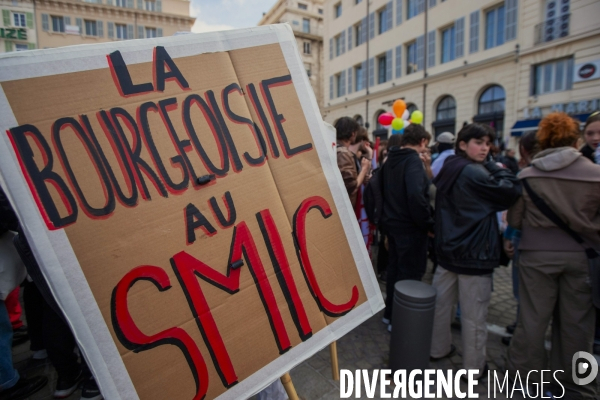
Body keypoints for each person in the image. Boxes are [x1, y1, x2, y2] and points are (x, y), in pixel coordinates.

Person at [506, 112, 600, 399]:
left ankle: (526, 382)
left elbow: (515, 221)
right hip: (582, 256)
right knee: (577, 326)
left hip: (536, 256)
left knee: (532, 321)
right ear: (576, 139)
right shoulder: (595, 175)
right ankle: (577, 386)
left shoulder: (528, 175)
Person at [429, 123, 521, 376]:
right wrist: (493, 164)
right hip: (474, 253)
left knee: (441, 307)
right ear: (462, 144)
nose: (484, 148)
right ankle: (473, 368)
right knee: (473, 315)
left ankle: (438, 349)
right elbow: (510, 190)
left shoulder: (450, 166)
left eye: (487, 143)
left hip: (449, 250)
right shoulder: (473, 171)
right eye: (478, 143)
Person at [380, 125, 434, 329]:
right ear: (421, 142)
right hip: (410, 228)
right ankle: (400, 321)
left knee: (394, 271)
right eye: (425, 146)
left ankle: (390, 314)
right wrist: (427, 223)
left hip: (392, 225)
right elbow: (415, 196)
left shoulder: (391, 158)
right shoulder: (412, 160)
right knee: (409, 274)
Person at [502, 130, 537, 344]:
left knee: (524, 294)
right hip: (578, 251)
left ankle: (523, 335)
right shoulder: (590, 172)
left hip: (528, 243)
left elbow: (515, 217)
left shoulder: (526, 176)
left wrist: (509, 236)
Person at [335, 117, 371, 209]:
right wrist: (363, 170)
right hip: (345, 208)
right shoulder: (343, 153)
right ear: (352, 133)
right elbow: (351, 187)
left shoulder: (336, 149)